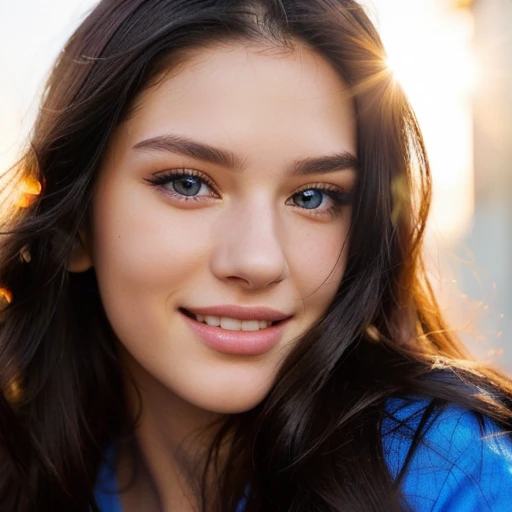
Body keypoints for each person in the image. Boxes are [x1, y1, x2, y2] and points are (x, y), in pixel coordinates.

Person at [0, 0, 511, 510]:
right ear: (74, 223)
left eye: (314, 196)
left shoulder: (455, 476)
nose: (258, 261)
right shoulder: (27, 472)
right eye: (188, 183)